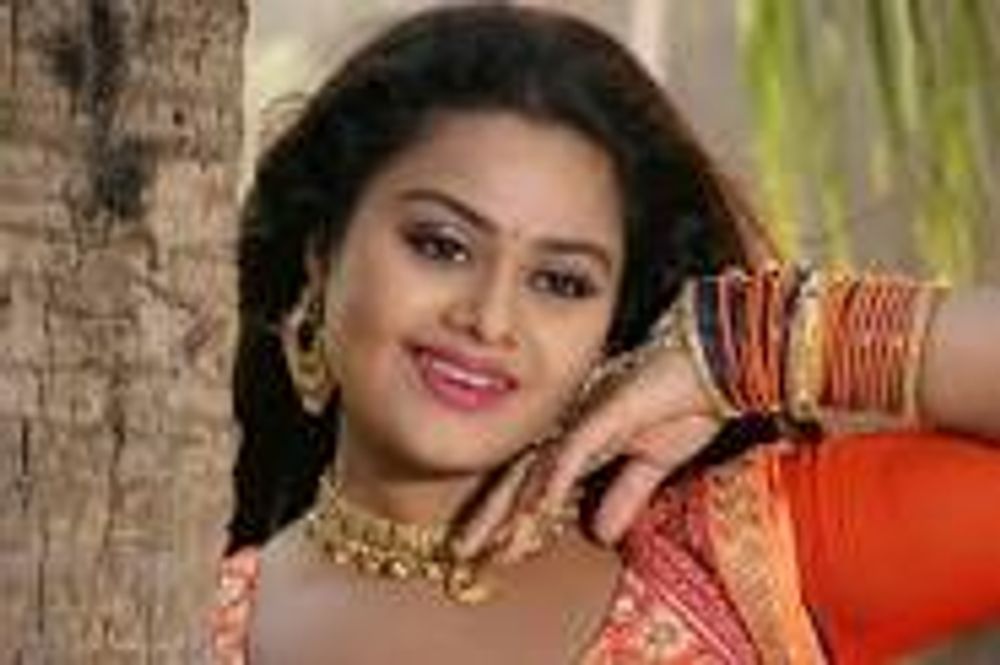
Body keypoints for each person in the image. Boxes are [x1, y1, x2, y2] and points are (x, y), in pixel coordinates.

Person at [209, 5, 1000, 664]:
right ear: (322, 255)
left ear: (611, 327)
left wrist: (760, 339)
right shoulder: (181, 617)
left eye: (561, 282)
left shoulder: (729, 566)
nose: (489, 318)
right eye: (441, 245)